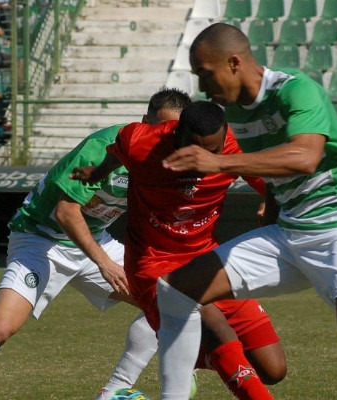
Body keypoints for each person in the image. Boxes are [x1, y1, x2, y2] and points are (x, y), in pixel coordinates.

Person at [146, 23, 337, 400]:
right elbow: (273, 169)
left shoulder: (297, 90)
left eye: (204, 74)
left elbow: (305, 156)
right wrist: (273, 209)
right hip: (289, 230)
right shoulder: (234, 111)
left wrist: (218, 163)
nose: (202, 85)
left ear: (233, 63)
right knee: (176, 289)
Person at [0, 89, 186, 400]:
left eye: (173, 132)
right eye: (160, 129)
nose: (165, 137)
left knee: (171, 303)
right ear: (144, 122)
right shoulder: (103, 147)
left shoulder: (169, 161)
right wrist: (105, 264)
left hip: (94, 239)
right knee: (0, 327)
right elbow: (66, 212)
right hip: (41, 238)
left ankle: (115, 390)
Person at [75, 101, 288, 400]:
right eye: (194, 148)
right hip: (153, 263)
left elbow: (274, 186)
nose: (202, 158)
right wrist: (96, 174)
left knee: (273, 369)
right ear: (178, 134)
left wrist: (269, 217)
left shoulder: (236, 147)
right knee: (212, 321)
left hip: (207, 257)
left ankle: (189, 356)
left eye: (212, 151)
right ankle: (195, 351)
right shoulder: (140, 140)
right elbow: (115, 156)